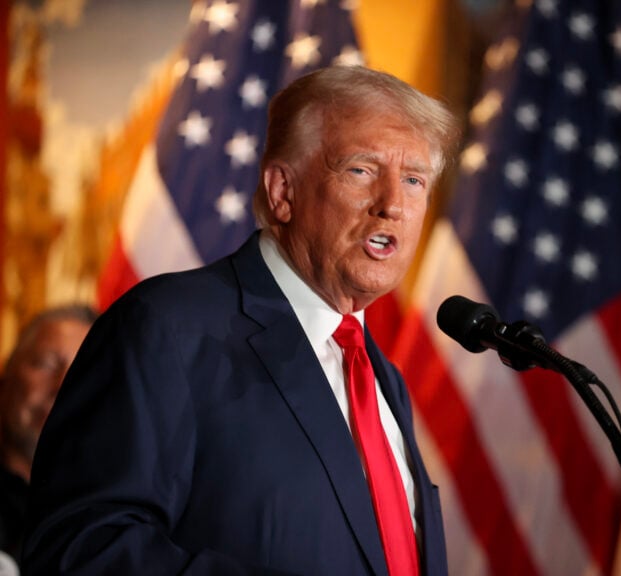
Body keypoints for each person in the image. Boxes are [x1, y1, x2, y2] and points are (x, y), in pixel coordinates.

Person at [23, 65, 460, 575]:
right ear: (282, 191)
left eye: (413, 180)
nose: (393, 206)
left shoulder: (383, 379)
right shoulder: (167, 328)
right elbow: (80, 548)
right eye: (361, 170)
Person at [0, 305, 97, 567]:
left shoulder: (108, 525)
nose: (62, 386)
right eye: (46, 364)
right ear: (6, 374)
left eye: (83, 373)